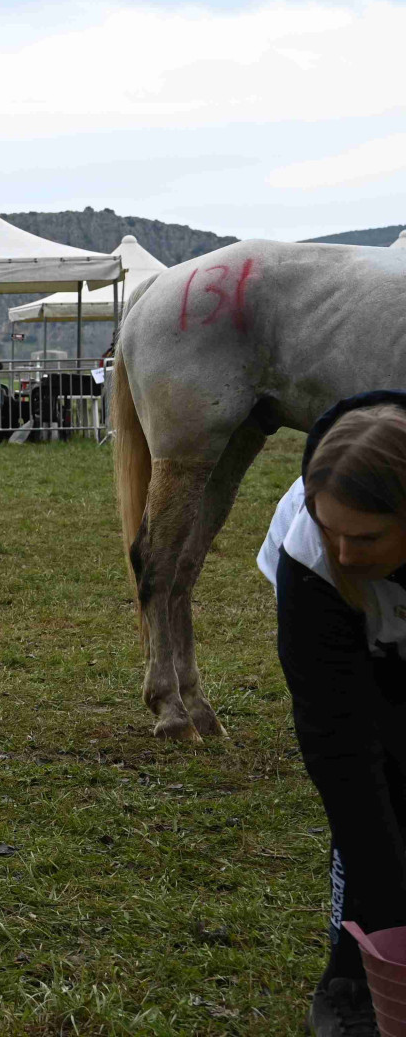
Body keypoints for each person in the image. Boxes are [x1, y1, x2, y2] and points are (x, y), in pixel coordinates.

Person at [257, 393, 406, 1036]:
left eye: (366, 537)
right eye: (331, 529)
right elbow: (337, 743)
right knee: (373, 808)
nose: (345, 552)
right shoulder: (313, 556)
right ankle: (352, 981)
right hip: (347, 630)